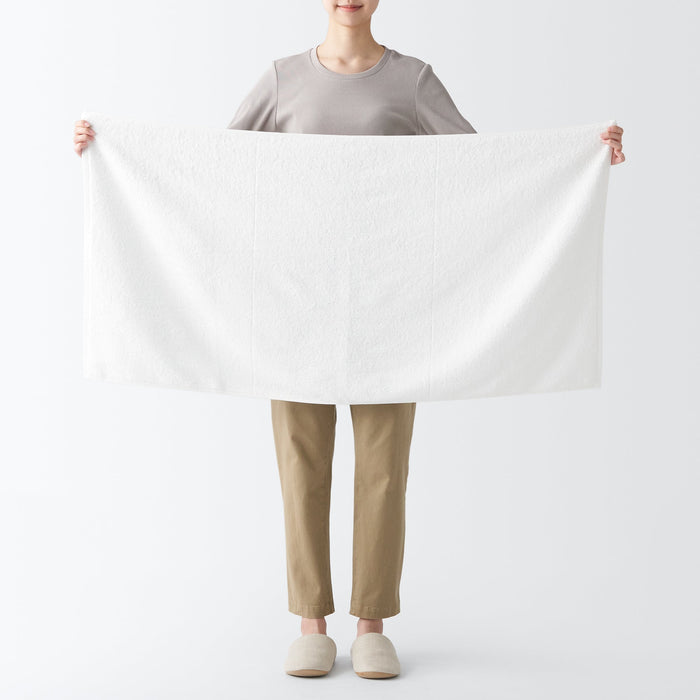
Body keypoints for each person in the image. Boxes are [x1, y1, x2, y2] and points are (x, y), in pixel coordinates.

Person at [73, 0, 625, 680]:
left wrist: (583, 158)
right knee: (301, 464)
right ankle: (310, 623)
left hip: (393, 310)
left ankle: (371, 624)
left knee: (384, 469)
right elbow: (215, 172)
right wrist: (111, 151)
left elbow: (483, 172)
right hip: (291, 307)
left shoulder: (412, 81)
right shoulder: (282, 80)